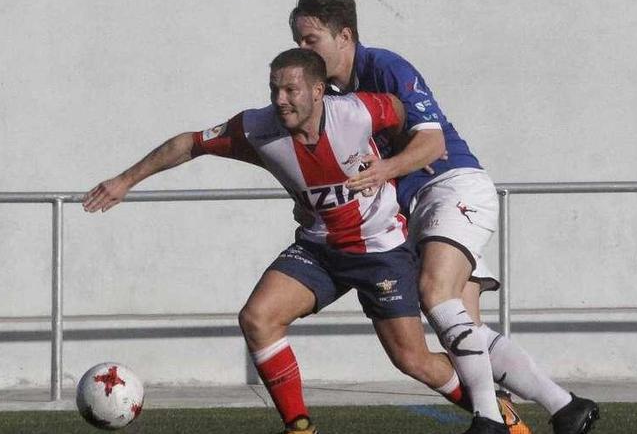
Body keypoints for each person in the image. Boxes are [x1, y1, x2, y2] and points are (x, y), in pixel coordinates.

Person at [85, 48, 467, 434]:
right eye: (274, 89)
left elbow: (406, 116)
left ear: (319, 91)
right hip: (320, 249)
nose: (280, 99)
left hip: (381, 249)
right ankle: (299, 428)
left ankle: (492, 409)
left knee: (413, 360)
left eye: (290, 89)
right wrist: (124, 181)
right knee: (258, 318)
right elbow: (189, 143)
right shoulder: (257, 128)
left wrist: (399, 159)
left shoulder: (358, 111)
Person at [289, 0, 599, 434]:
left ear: (345, 36)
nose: (302, 49)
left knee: (437, 294)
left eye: (310, 40)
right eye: (297, 40)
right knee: (463, 332)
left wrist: (385, 171)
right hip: (418, 209)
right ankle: (566, 406)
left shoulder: (386, 67)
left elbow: (432, 143)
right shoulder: (332, 97)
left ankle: (489, 421)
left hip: (451, 187)